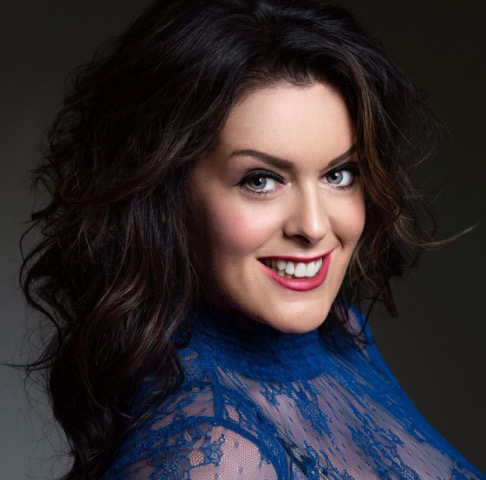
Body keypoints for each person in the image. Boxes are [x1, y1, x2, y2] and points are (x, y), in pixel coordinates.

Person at [20, 0, 484, 479]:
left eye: (339, 174)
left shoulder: (343, 333)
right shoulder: (211, 453)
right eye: (260, 180)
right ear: (165, 195)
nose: (313, 226)